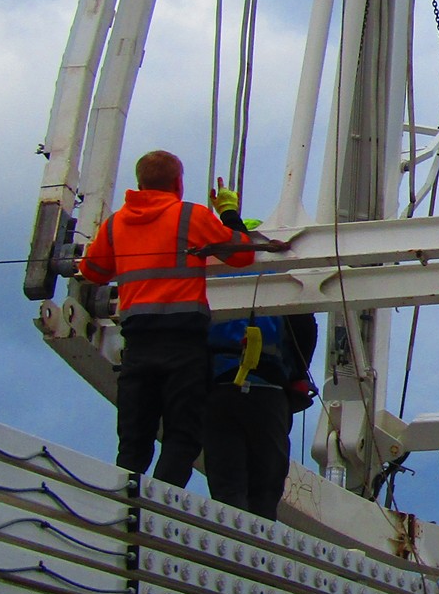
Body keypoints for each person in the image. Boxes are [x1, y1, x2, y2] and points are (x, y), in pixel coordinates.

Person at [78, 151, 262, 490]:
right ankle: (160, 507)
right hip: (183, 346)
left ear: (139, 184)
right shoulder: (189, 216)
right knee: (183, 436)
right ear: (178, 183)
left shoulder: (115, 224)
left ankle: (125, 506)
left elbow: (92, 272)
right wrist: (228, 212)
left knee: (133, 441)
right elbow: (243, 254)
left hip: (137, 346)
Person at [204, 310, 318, 520]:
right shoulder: (279, 283)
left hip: (221, 390)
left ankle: (233, 537)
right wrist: (299, 374)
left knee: (227, 485)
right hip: (268, 391)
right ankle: (258, 541)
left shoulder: (216, 282)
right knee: (266, 485)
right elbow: (304, 325)